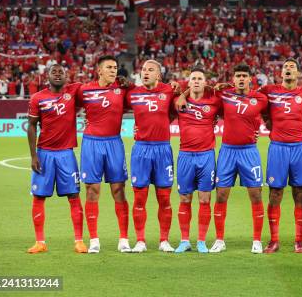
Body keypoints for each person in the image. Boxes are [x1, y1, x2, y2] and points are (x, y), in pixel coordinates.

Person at [26, 64, 87, 254]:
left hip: (66, 154)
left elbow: (96, 88)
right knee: (39, 196)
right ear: (47, 76)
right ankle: (40, 242)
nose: (58, 74)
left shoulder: (74, 91)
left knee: (74, 195)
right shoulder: (38, 98)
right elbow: (31, 125)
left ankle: (79, 241)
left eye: (62, 72)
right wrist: (34, 155)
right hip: (44, 153)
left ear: (67, 76)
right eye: (54, 72)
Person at [259, 58, 302, 253]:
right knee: (275, 193)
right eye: (286, 67)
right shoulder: (269, 90)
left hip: (298, 149)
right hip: (277, 148)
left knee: (299, 192)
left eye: (292, 67)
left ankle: (298, 241)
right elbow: (251, 101)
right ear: (281, 73)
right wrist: (266, 120)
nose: (289, 69)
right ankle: (274, 240)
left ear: (298, 73)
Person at [209, 63, 268, 253]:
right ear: (233, 79)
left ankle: (257, 240)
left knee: (256, 194)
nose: (241, 79)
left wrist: (258, 128)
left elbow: (270, 115)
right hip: (227, 151)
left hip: (249, 152)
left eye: (244, 75)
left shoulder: (260, 98)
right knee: (221, 194)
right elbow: (208, 100)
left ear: (250, 78)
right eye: (238, 76)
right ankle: (219, 240)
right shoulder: (224, 95)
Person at [77, 55, 130, 254]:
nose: (113, 70)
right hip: (91, 144)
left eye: (115, 67)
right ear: (99, 70)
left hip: (114, 143)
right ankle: (94, 240)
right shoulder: (84, 90)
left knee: (119, 190)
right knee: (92, 190)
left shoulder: (122, 89)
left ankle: (123, 239)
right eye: (109, 67)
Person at [126, 60, 176, 253]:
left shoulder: (170, 91)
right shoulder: (132, 93)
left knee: (164, 198)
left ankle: (164, 240)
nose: (145, 72)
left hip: (162, 150)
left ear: (159, 75)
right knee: (140, 198)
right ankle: (140, 241)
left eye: (151, 70)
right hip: (141, 150)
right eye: (144, 70)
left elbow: (181, 106)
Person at [174, 67, 222, 253]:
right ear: (189, 82)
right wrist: (182, 95)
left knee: (204, 199)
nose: (196, 81)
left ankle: (201, 241)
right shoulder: (178, 101)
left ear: (204, 82)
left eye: (199, 78)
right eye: (193, 78)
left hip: (206, 155)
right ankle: (185, 240)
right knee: (185, 198)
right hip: (185, 155)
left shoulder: (215, 101)